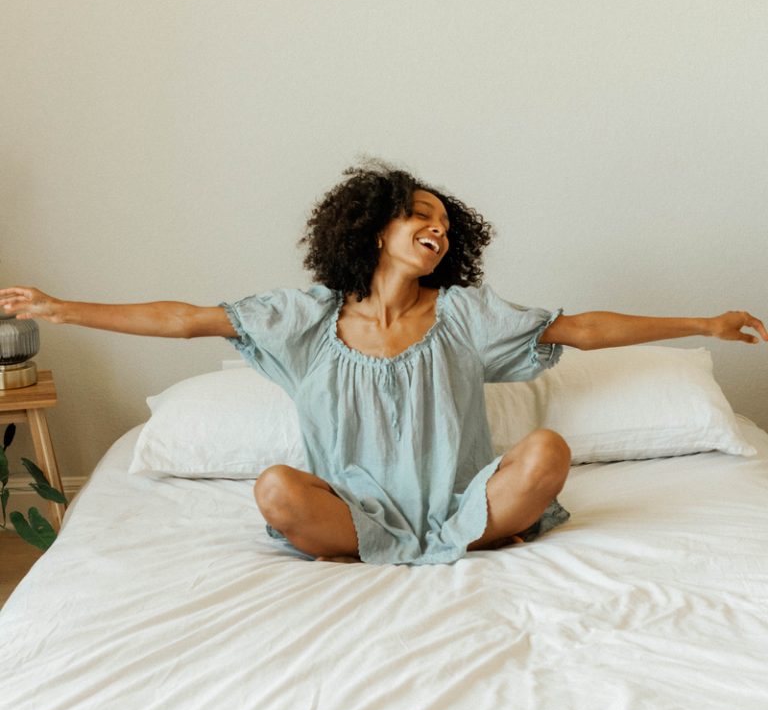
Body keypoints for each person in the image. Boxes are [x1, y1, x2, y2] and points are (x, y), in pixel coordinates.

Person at [2, 161, 766, 566]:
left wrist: (704, 321)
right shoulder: (301, 321)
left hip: (468, 505)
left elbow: (584, 327)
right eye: (418, 216)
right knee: (274, 490)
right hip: (351, 514)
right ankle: (385, 546)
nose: (435, 230)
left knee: (547, 452)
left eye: (442, 224)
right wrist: (60, 308)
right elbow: (184, 318)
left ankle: (477, 534)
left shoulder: (465, 315)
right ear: (373, 228)